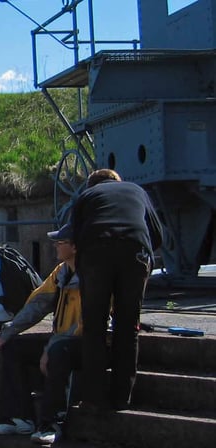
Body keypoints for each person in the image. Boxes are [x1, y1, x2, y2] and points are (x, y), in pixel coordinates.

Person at [70, 168, 162, 412]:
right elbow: (157, 234)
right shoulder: (137, 191)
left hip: (96, 251)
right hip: (135, 250)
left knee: (94, 325)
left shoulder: (87, 196)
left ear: (92, 185)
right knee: (128, 325)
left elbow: (74, 235)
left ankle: (94, 398)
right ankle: (122, 397)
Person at [0, 223, 83, 444]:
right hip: (61, 340)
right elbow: (37, 304)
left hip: (85, 342)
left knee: (58, 353)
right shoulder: (61, 272)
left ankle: (52, 423)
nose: (55, 246)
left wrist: (50, 348)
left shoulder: (93, 277)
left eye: (60, 242)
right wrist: (9, 332)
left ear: (75, 247)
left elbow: (84, 324)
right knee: (13, 348)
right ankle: (20, 418)